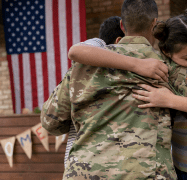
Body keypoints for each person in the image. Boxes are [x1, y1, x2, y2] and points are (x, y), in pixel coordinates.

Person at [67, 7, 187, 180]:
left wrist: (170, 100)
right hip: (178, 170)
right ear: (166, 52)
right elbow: (76, 52)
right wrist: (136, 64)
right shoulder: (155, 66)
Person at [41, 0, 177, 179]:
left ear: (122, 25)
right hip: (145, 173)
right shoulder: (168, 66)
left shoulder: (85, 64)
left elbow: (50, 122)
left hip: (84, 173)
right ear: (155, 24)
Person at [63, 16, 125, 169]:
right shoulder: (122, 72)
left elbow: (51, 123)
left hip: (76, 163)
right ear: (118, 42)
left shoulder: (77, 72)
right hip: (103, 164)